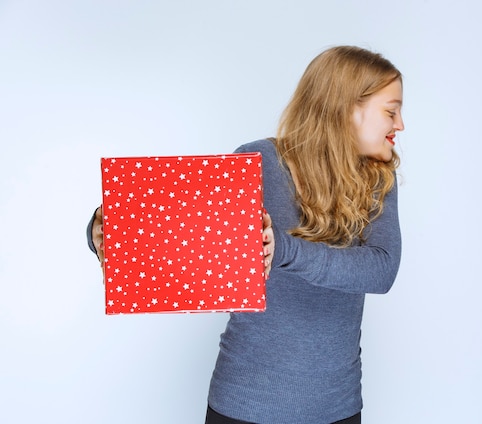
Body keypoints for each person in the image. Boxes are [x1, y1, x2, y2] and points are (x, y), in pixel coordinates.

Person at [87, 45, 404, 424]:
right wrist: (103, 232)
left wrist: (284, 250)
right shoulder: (258, 163)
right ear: (347, 108)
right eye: (391, 111)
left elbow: (380, 271)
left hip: (337, 410)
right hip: (243, 407)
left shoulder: (377, 179)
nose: (400, 124)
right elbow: (194, 238)